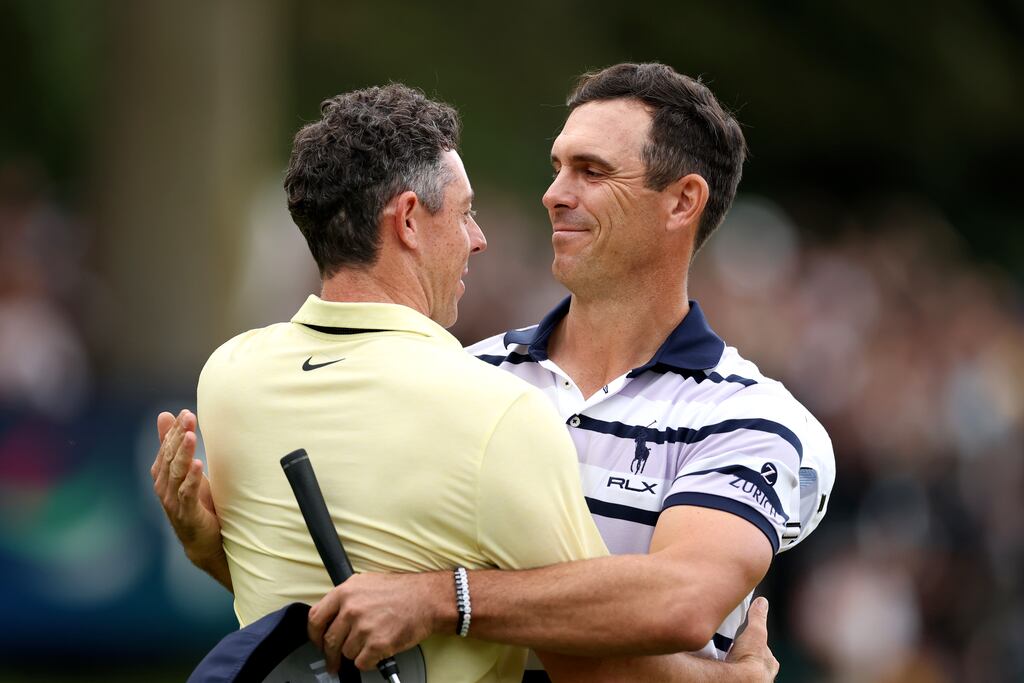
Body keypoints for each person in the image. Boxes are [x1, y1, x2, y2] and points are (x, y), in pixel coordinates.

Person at [152, 82, 779, 681]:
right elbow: (592, 660)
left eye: (591, 171)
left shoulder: (229, 376)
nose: (478, 239)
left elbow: (323, 604)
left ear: (683, 201)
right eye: (465, 213)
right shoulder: (497, 409)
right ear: (406, 221)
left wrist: (213, 551)